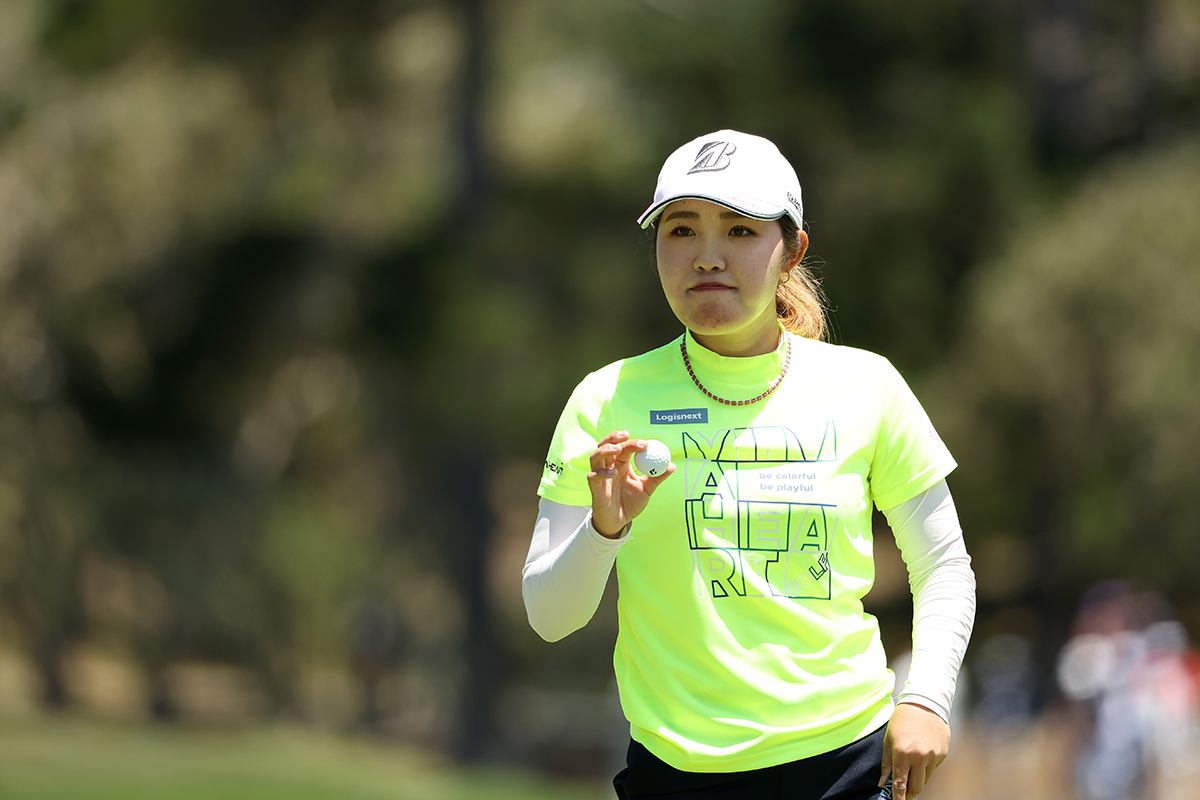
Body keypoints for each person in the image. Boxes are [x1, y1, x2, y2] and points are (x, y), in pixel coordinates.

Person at [523, 130, 976, 800]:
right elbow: (549, 614)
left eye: (739, 231)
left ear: (792, 249)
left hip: (846, 768)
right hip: (674, 778)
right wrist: (603, 530)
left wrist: (927, 698)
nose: (707, 257)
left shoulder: (868, 386)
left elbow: (944, 566)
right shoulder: (607, 398)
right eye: (681, 231)